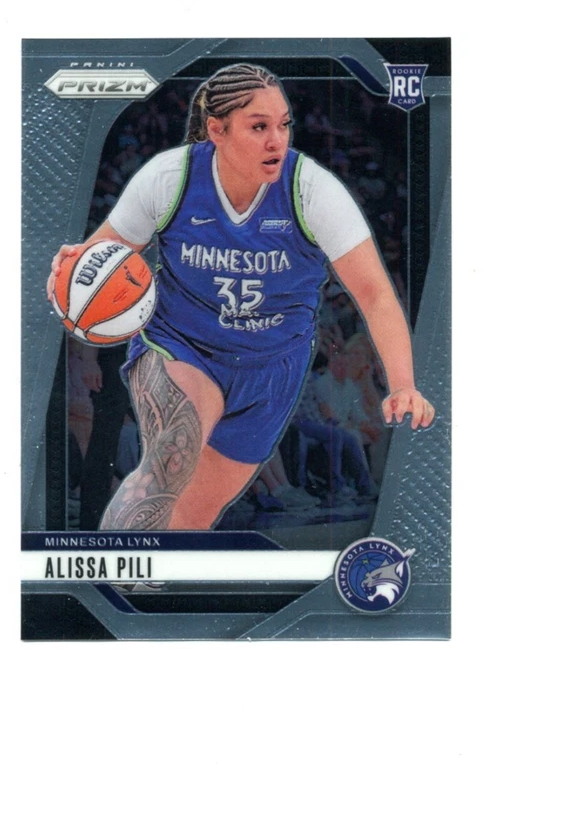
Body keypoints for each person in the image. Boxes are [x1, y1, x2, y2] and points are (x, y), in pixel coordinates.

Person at [47, 63, 434, 532]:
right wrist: (70, 270)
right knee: (170, 460)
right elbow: (100, 260)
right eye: (259, 127)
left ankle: (155, 576)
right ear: (217, 130)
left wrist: (403, 384)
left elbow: (375, 294)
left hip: (273, 368)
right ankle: (115, 571)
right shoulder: (169, 178)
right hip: (182, 345)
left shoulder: (313, 191)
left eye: (284, 124)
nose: (277, 140)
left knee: (192, 517)